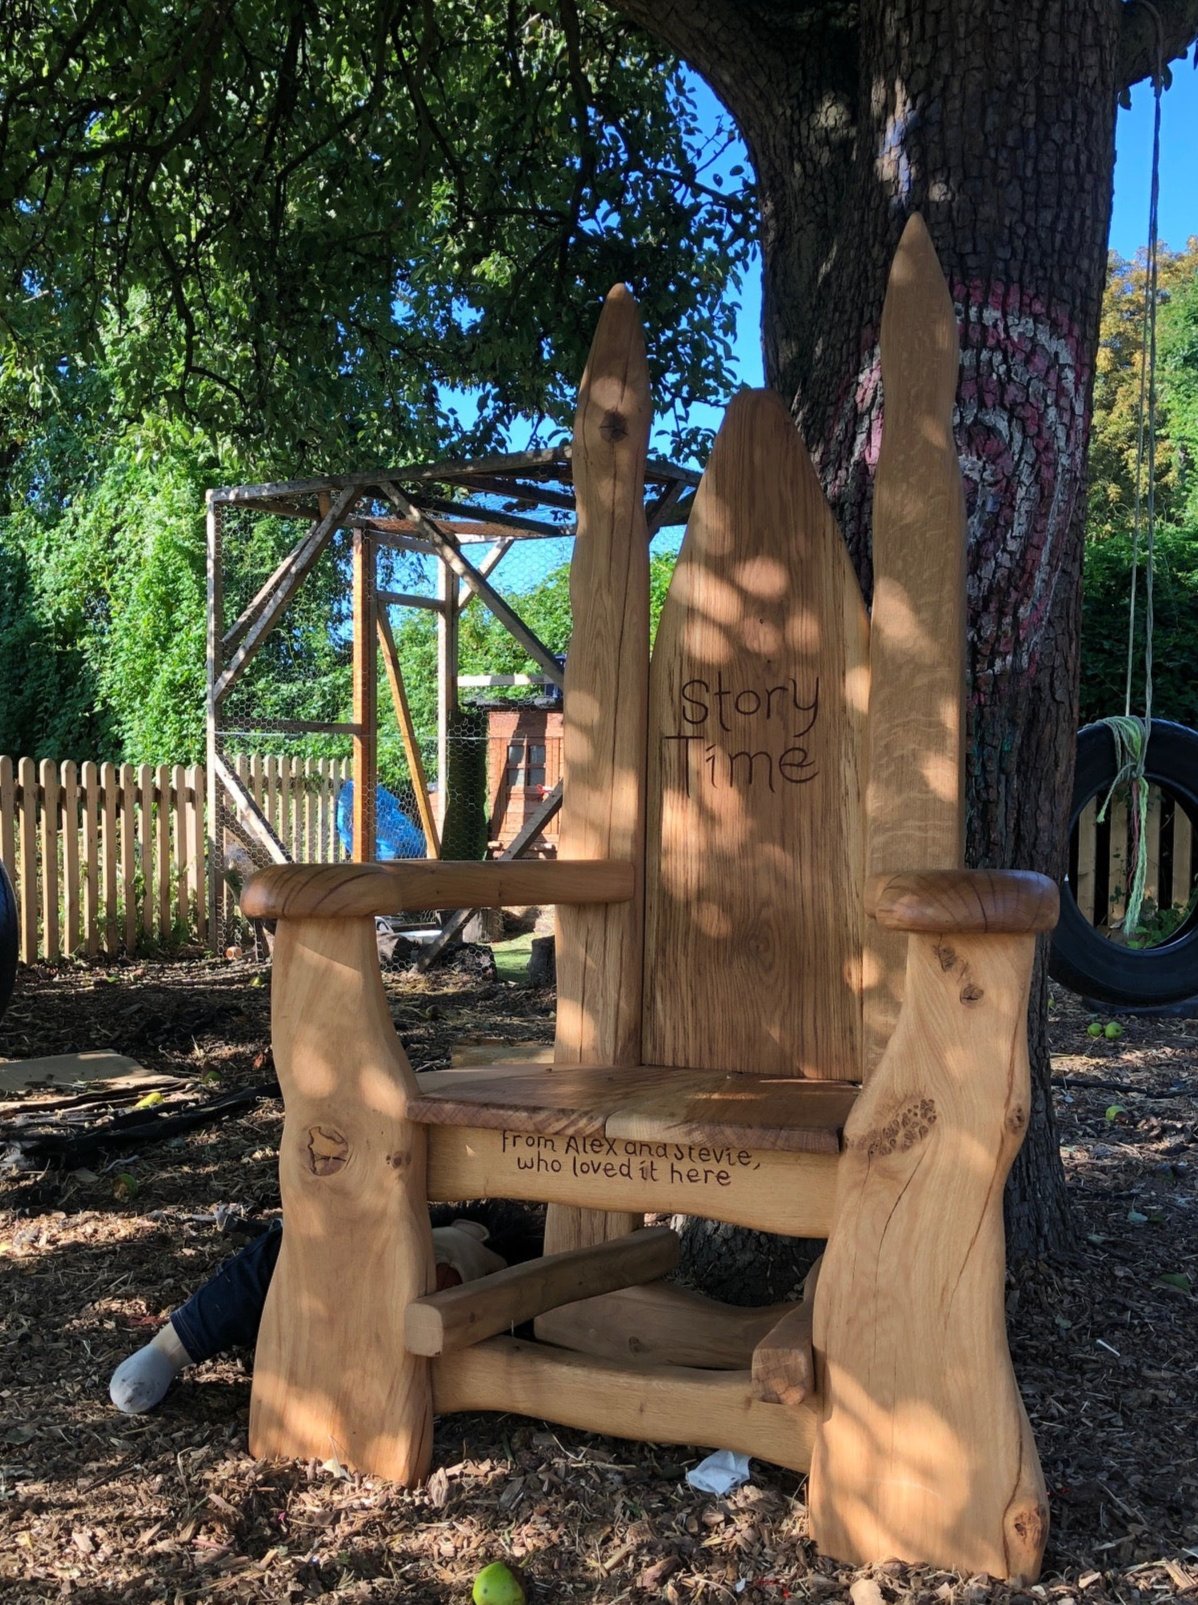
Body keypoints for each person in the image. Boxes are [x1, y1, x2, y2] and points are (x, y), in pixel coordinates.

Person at [110, 1217, 506, 1414]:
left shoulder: (490, 1270)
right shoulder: (436, 1240)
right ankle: (170, 1347)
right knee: (273, 1263)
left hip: (366, 1344)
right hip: (341, 1267)